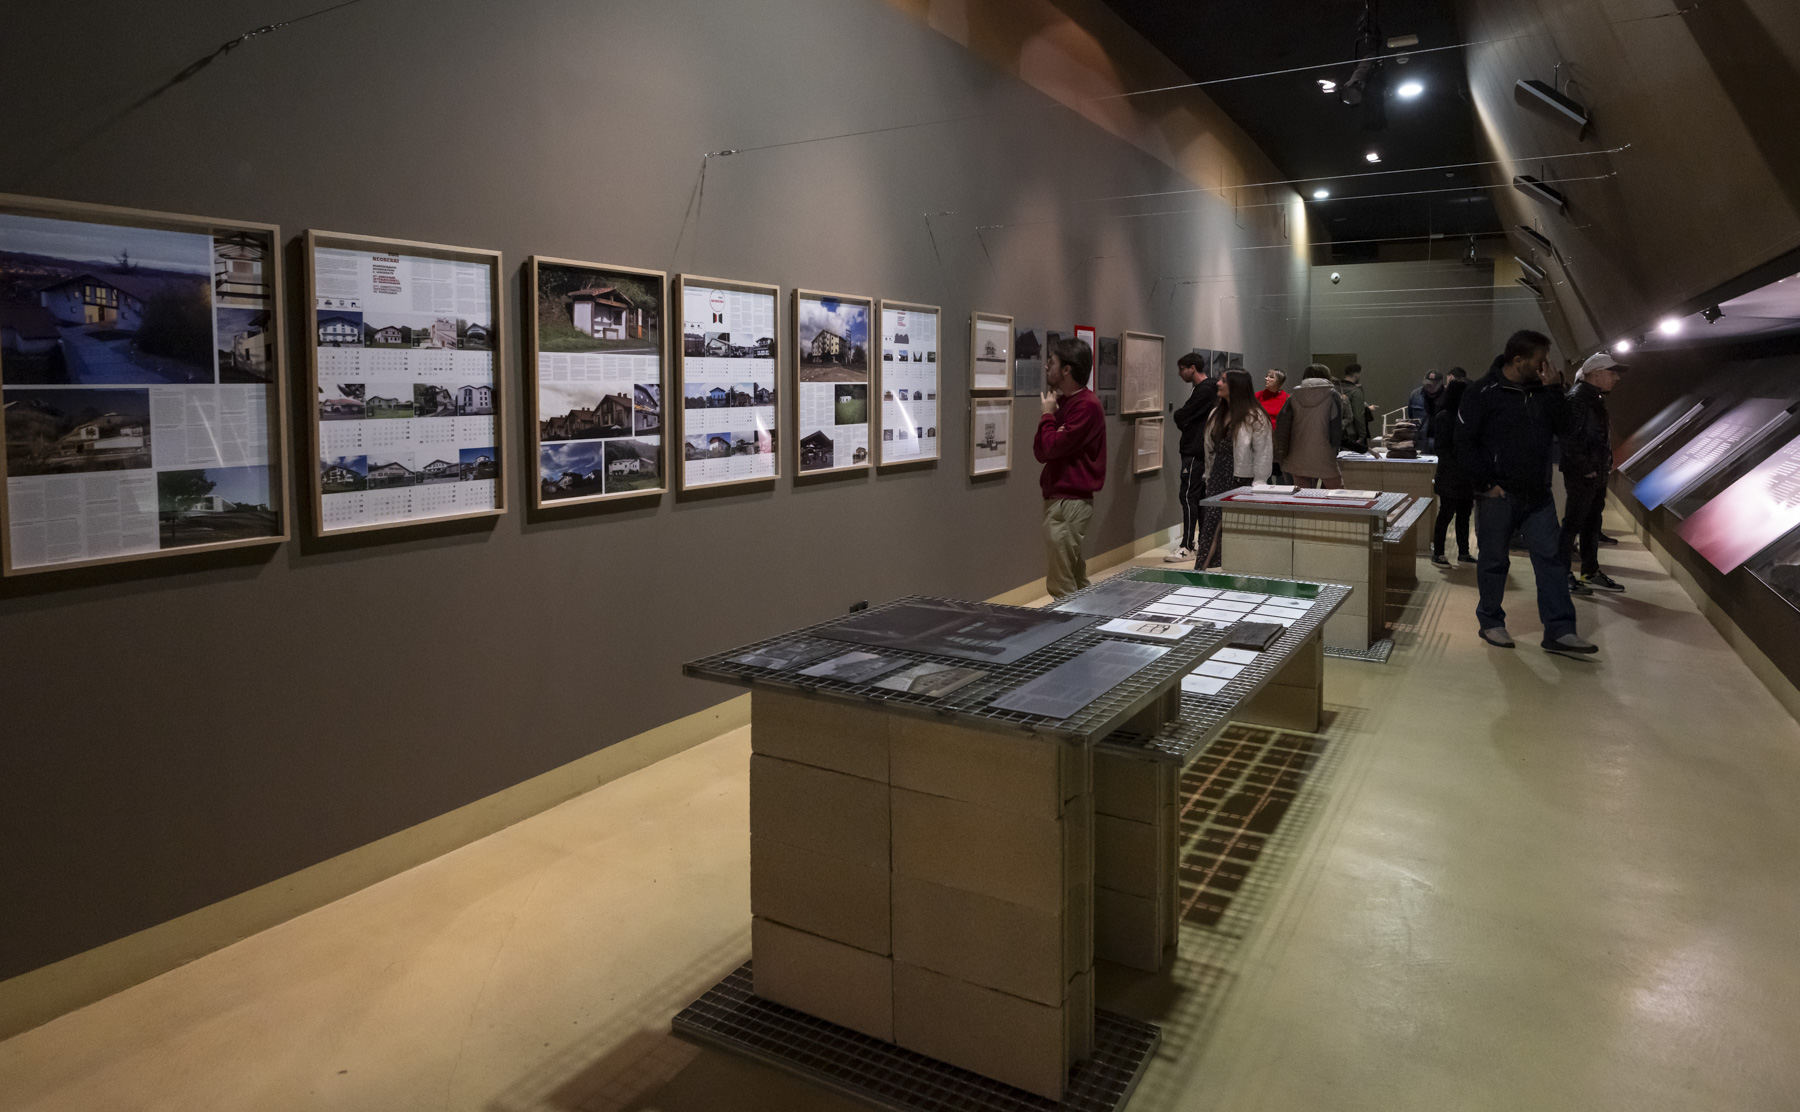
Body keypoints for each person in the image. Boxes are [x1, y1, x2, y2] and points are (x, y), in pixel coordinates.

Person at [1459, 329, 1596, 655]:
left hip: (1538, 494)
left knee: (1551, 561)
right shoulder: (1483, 391)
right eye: (1539, 360)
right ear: (1518, 360)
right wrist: (1484, 484)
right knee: (1493, 561)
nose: (1544, 366)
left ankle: (1560, 632)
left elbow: (1567, 431)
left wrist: (1554, 393)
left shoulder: (1544, 392)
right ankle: (1491, 622)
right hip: (1497, 494)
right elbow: (1464, 442)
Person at [1034, 337, 1106, 598]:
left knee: (1060, 583)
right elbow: (1041, 451)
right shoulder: (1063, 403)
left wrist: (1047, 416)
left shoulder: (1086, 406)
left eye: (1051, 361)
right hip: (1060, 499)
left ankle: (1068, 635)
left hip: (1069, 501)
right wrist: (1050, 418)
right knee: (1074, 577)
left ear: (1066, 369)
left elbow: (1051, 447)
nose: (1046, 367)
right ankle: (1094, 631)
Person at [1192, 368, 1273, 569]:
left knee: (1226, 530)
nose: (1218, 383)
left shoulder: (1255, 417)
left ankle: (1202, 572)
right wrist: (1208, 476)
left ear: (1236, 386)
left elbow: (1263, 452)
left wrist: (1260, 482)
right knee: (1211, 527)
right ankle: (1205, 572)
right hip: (1218, 476)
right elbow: (1210, 449)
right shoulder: (1216, 413)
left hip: (1240, 480)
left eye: (1224, 380)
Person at [1560, 353, 1628, 593]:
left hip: (1593, 473)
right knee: (1574, 523)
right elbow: (1569, 439)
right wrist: (1586, 468)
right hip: (1585, 474)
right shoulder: (1579, 399)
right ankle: (1562, 574)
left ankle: (1589, 571)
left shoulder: (1590, 398)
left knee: (1589, 522)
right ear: (1596, 373)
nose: (1616, 378)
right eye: (1612, 373)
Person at [1166, 352, 1214, 563]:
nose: (1179, 374)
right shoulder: (1208, 388)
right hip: (1200, 450)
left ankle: (1187, 545)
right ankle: (1202, 541)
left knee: (1187, 496)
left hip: (1194, 451)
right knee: (1199, 497)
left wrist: (1180, 416)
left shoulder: (1204, 390)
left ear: (1192, 368)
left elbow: (1181, 416)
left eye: (1182, 369)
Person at [1429, 377, 1476, 566]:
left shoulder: (1459, 415)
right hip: (1451, 474)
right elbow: (1442, 448)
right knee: (1447, 513)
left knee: (1463, 514)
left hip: (1459, 474)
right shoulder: (1446, 417)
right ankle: (1438, 552)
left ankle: (1463, 551)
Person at [1276, 364, 1344, 488]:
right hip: (1324, 452)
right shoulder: (1332, 394)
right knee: (1338, 493)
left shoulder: (1294, 395)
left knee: (1303, 497)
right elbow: (1336, 428)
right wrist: (1335, 450)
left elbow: (1282, 423)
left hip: (1297, 451)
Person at [1408, 370, 1446, 453]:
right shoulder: (1415, 395)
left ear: (1440, 383)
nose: (1429, 386)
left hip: (1442, 442)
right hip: (1421, 442)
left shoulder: (1448, 396)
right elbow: (1410, 416)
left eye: (1433, 384)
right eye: (1427, 383)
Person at [1338, 363, 1370, 453]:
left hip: (1336, 430)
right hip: (1352, 431)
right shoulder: (1356, 392)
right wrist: (1362, 435)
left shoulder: (1335, 389)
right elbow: (1358, 414)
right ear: (1356, 375)